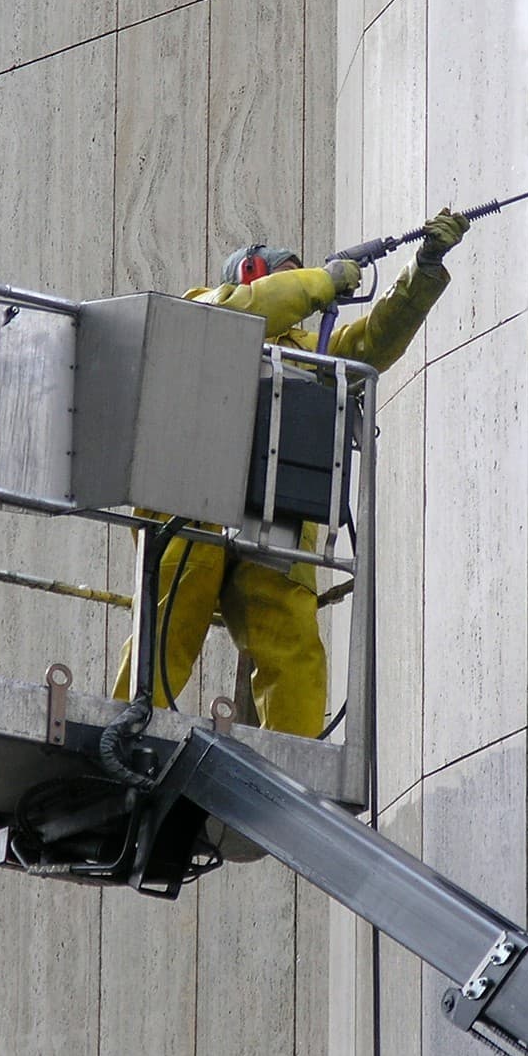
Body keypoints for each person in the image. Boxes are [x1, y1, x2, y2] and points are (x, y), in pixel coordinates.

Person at [109, 208, 470, 737]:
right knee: (166, 627)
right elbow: (240, 313)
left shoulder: (310, 354)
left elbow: (374, 342)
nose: (307, 298)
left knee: (293, 644)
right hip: (190, 505)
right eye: (292, 279)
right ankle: (122, 726)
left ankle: (296, 756)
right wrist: (322, 280)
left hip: (275, 517)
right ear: (251, 274)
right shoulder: (203, 309)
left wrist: (424, 266)